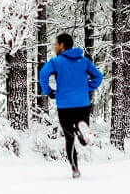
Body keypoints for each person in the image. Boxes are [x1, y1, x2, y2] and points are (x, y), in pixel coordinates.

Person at [39, 33, 104, 178]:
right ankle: (82, 132)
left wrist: (49, 91)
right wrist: (87, 87)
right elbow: (98, 76)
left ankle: (75, 169)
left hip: (65, 105)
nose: (55, 47)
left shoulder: (56, 62)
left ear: (62, 45)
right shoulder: (84, 61)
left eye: (56, 44)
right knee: (83, 134)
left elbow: (43, 74)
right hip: (83, 104)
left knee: (69, 138)